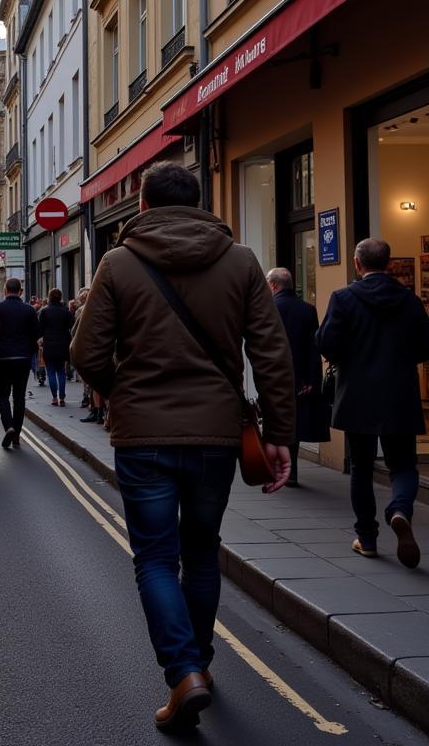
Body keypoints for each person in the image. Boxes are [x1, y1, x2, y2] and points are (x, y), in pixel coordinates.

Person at [71, 161, 294, 730]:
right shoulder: (242, 261)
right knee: (201, 552)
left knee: (153, 559)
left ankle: (182, 673)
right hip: (217, 436)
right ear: (198, 203)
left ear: (141, 206)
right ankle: (199, 665)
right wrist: (279, 435)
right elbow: (272, 356)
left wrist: (124, 391)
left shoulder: (118, 262)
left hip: (143, 437)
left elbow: (85, 353)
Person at [316, 237, 429, 568]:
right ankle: (399, 509)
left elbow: (326, 343)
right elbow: (425, 347)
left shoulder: (344, 298)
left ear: (356, 263)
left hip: (357, 396)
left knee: (361, 469)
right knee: (404, 465)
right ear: (390, 264)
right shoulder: (408, 300)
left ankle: (366, 538)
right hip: (399, 395)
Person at [267, 268, 322, 487]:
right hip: (299, 375)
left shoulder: (269, 308)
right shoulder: (307, 309)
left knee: (275, 420)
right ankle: (291, 470)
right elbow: (313, 348)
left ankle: (276, 467)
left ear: (273, 285)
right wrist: (311, 379)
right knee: (295, 421)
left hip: (274, 374)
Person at [0, 277, 38, 448]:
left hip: (2, 358)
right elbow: (36, 333)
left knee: (3, 396)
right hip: (22, 358)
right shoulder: (29, 310)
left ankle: (9, 427)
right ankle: (17, 435)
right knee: (19, 397)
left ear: (5, 291)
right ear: (21, 291)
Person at [38, 288, 75, 406]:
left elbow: (40, 328)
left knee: (51, 372)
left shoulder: (44, 311)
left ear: (49, 297)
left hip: (49, 344)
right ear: (60, 298)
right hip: (63, 345)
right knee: (61, 371)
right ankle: (62, 398)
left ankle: (54, 397)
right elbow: (71, 325)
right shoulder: (66, 311)